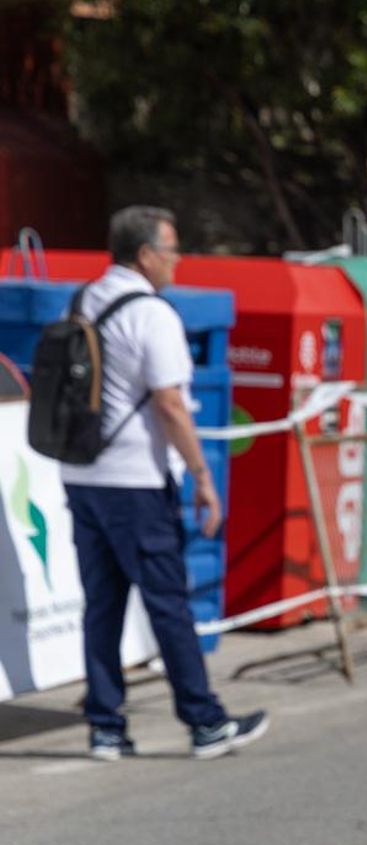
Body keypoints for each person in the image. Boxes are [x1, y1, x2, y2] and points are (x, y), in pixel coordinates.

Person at [62, 206, 268, 761]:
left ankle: (105, 727)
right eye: (172, 248)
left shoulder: (85, 298)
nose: (178, 259)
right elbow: (172, 404)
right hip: (134, 480)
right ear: (146, 253)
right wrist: (203, 476)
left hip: (82, 474)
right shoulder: (152, 315)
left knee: (102, 604)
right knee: (168, 602)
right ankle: (204, 723)